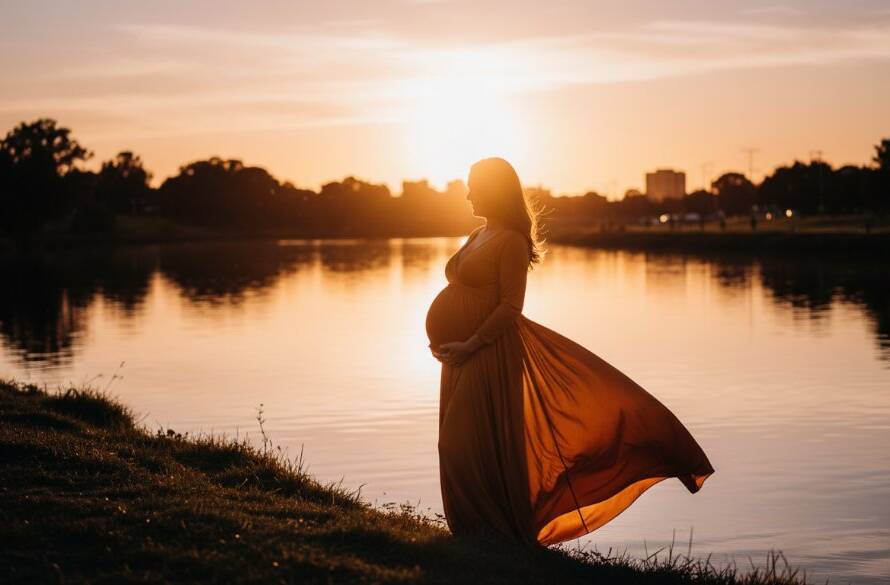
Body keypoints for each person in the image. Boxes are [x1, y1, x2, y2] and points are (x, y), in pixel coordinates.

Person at [425, 157, 714, 547]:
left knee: (464, 443)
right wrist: (444, 339)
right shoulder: (480, 234)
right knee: (459, 442)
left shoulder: (510, 240)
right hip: (460, 355)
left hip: (487, 353)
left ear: (494, 190)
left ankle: (495, 530)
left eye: (474, 186)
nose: (468, 194)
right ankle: (474, 531)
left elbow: (511, 307)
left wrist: (469, 342)